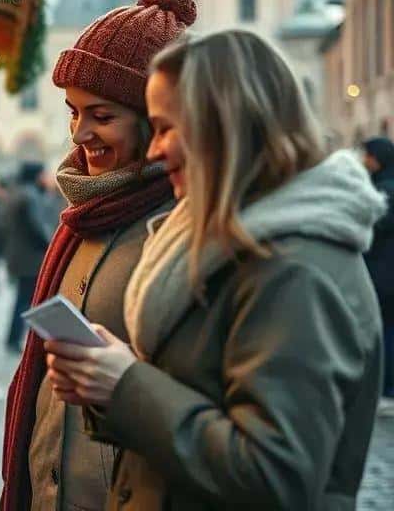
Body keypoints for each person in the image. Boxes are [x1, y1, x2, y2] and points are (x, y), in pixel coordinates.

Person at [45, 30, 386, 510]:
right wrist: (106, 383)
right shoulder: (230, 244)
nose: (155, 150)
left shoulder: (294, 271)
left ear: (223, 128)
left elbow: (273, 475)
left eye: (167, 128)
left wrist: (125, 384)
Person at [1, 0, 196, 511]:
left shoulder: (184, 226)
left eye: (102, 116)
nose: (79, 133)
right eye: (73, 112)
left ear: (155, 122)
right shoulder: (83, 215)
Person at [3, 163, 63, 352]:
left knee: (23, 299)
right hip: (30, 259)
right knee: (28, 299)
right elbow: (38, 227)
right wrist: (53, 243)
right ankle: (20, 340)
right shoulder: (30, 196)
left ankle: (15, 338)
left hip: (21, 257)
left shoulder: (19, 192)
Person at [363, 137, 394, 410]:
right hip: (386, 272)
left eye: (368, 155)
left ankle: (387, 389)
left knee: (385, 330)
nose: (364, 160)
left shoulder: (384, 191)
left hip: (384, 273)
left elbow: (373, 228)